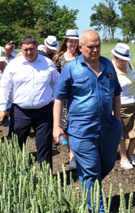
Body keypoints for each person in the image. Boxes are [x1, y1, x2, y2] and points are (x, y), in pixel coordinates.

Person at [53, 30, 122, 213]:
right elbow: (58, 98)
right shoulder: (71, 68)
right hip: (82, 131)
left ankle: (89, 186)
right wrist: (56, 126)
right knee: (91, 171)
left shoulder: (107, 65)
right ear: (80, 47)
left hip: (108, 128)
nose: (95, 50)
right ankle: (96, 209)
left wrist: (118, 121)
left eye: (98, 45)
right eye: (90, 46)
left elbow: (116, 93)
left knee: (107, 164)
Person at [0, 35, 59, 168]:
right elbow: (4, 86)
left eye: (31, 49)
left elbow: (56, 83)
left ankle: (46, 178)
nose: (28, 53)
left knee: (44, 145)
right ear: (21, 49)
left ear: (37, 47)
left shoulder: (47, 63)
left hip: (44, 112)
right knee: (16, 143)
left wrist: (57, 100)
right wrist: (1, 107)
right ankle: (14, 173)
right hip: (20, 112)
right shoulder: (14, 64)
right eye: (25, 50)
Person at [111, 43, 135, 169]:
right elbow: (109, 90)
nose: (125, 61)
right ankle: (123, 158)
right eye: (122, 59)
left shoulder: (129, 65)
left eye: (126, 59)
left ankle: (131, 154)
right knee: (122, 134)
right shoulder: (111, 69)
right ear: (115, 56)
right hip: (121, 105)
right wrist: (112, 109)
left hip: (134, 103)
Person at [53, 29, 81, 170]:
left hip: (80, 97)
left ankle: (80, 155)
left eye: (75, 41)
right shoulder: (59, 58)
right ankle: (72, 156)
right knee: (69, 129)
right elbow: (55, 79)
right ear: (66, 42)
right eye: (70, 41)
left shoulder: (82, 57)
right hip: (65, 99)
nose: (73, 43)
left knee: (79, 127)